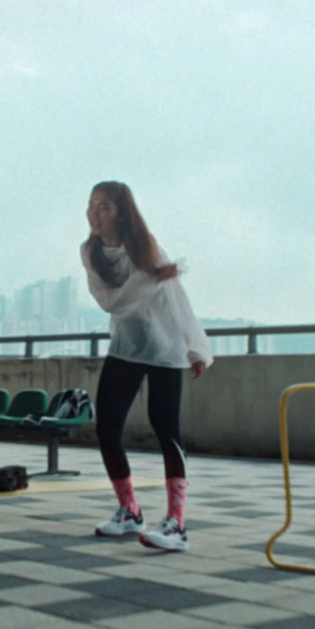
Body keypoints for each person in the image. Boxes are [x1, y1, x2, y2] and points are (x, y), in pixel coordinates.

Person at [82, 181, 211, 551]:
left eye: (105, 207)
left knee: (166, 428)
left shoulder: (145, 247)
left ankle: (177, 524)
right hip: (126, 346)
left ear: (122, 212)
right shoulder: (90, 251)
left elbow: (175, 295)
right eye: (91, 205)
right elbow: (109, 301)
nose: (95, 213)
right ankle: (130, 511)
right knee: (107, 426)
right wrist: (145, 283)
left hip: (165, 346)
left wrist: (195, 347)